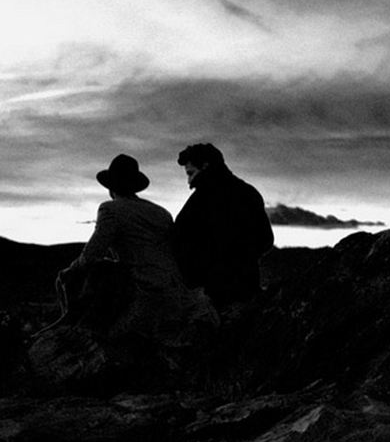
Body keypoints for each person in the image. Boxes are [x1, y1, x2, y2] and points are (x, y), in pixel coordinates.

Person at [50, 153, 207, 341]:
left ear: (110, 187)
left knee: (91, 273)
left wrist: (68, 272)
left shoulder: (110, 209)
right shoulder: (161, 212)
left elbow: (91, 255)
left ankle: (75, 326)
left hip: (146, 292)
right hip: (177, 292)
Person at [172, 143, 274, 308]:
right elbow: (266, 240)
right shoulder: (249, 193)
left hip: (212, 293)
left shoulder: (200, 201)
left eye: (191, 173)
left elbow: (179, 241)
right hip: (247, 288)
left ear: (205, 166)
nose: (189, 181)